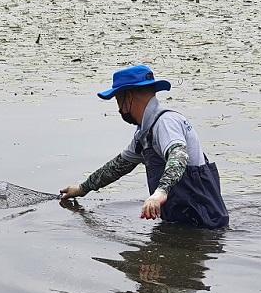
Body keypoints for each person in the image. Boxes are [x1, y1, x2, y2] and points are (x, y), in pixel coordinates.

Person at [60, 65, 229, 229]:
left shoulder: (165, 122)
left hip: (204, 222)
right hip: (183, 220)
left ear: (129, 97)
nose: (119, 109)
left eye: (118, 100)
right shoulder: (145, 132)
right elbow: (118, 166)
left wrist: (160, 193)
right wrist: (83, 188)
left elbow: (178, 155)